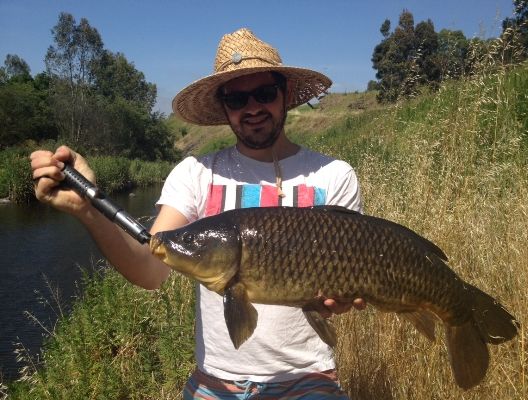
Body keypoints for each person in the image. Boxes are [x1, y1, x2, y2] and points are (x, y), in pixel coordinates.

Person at [31, 28, 365, 399]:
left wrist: (344, 297)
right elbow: (150, 268)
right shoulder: (195, 173)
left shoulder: (334, 174)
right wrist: (88, 210)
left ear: (284, 95)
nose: (252, 107)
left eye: (265, 94)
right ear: (224, 107)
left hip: (309, 376)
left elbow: (349, 284)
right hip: (216, 381)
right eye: (237, 99)